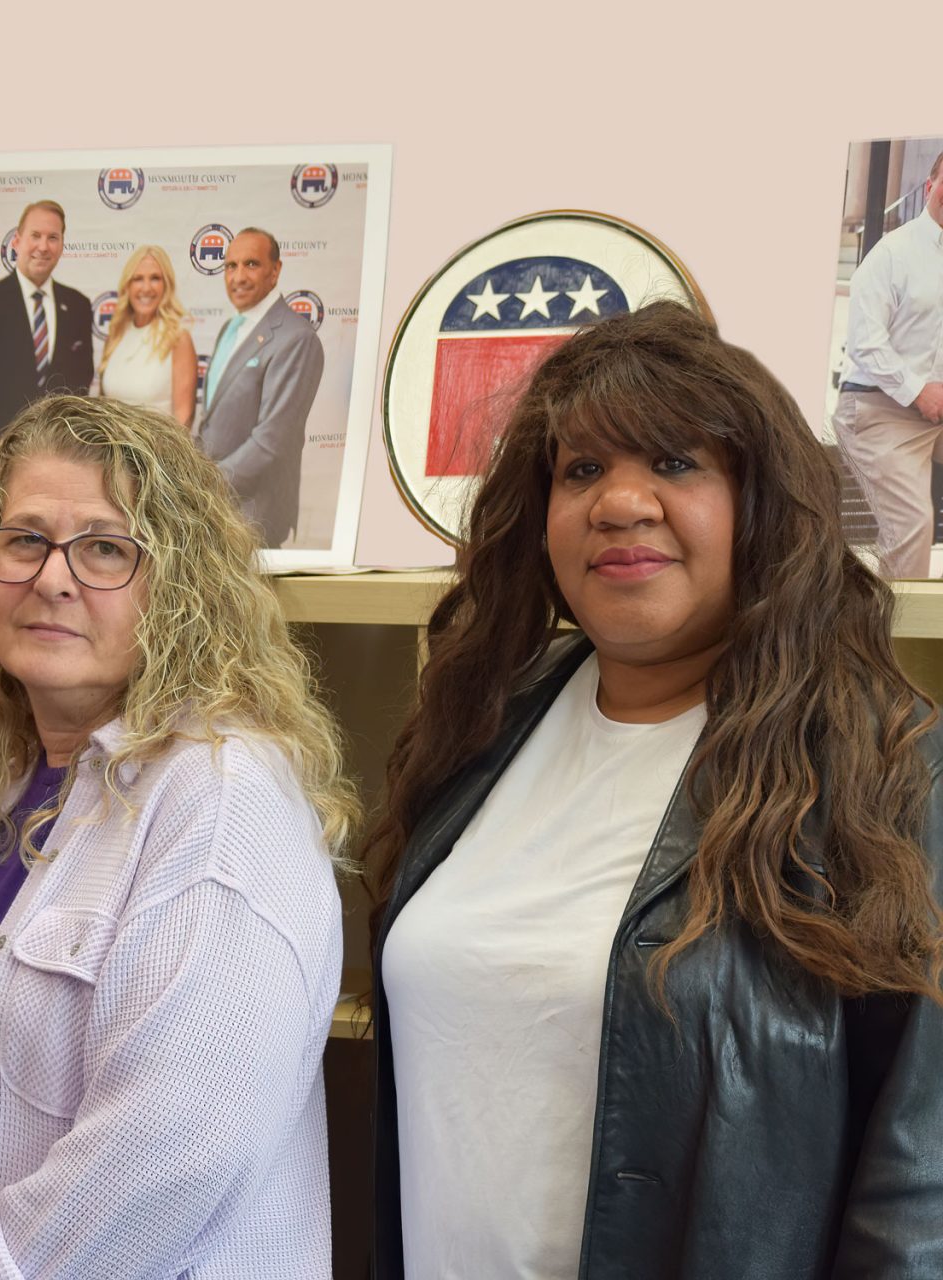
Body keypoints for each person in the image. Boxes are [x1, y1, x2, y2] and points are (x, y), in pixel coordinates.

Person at [366, 302, 943, 1278]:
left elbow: (919, 1188)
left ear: (759, 503)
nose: (618, 502)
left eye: (674, 462)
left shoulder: (889, 768)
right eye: (582, 469)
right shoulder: (478, 728)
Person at [0, 394, 353, 1279]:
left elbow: (174, 1141)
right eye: (23, 540)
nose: (52, 577)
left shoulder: (223, 796)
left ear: (180, 588)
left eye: (104, 548)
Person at [0, 200, 99, 533]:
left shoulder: (79, 306)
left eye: (53, 238)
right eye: (35, 235)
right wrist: (4, 462)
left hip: (48, 486)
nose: (43, 246)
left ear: (62, 245)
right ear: (17, 241)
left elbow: (78, 385)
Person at [834, 148, 943, 578]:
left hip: (936, 414)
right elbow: (865, 341)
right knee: (911, 526)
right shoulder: (893, 253)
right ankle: (892, 640)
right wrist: (918, 389)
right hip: (880, 411)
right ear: (931, 186)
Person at [194, 228, 323, 548]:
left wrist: (204, 485)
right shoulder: (231, 327)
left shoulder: (296, 337)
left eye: (251, 264)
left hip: (254, 518)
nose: (238, 277)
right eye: (230, 266)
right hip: (215, 515)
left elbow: (272, 440)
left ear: (275, 271)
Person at [94, 245, 198, 426]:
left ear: (166, 284)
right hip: (112, 451)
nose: (146, 287)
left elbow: (184, 417)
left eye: (155, 278)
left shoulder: (178, 339)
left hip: (157, 452)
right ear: (128, 285)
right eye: (138, 279)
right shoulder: (116, 334)